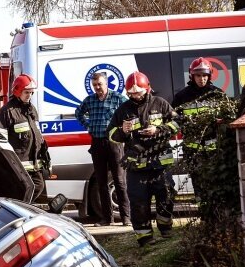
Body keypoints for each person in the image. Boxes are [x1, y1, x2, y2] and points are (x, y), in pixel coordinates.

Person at [108, 72, 179, 247]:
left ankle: (165, 228)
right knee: (139, 202)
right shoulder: (123, 110)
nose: (134, 96)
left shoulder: (160, 104)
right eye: (131, 93)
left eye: (138, 92)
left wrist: (158, 130)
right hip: (137, 167)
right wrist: (122, 130)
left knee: (166, 195)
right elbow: (111, 136)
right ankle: (145, 238)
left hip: (160, 163)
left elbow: (177, 124)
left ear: (147, 89)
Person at [75, 72, 130, 226]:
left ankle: (126, 217)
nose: (97, 87)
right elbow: (78, 113)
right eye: (95, 85)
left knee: (119, 181)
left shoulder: (118, 98)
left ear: (106, 83)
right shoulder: (90, 100)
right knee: (101, 182)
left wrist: (123, 129)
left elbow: (130, 113)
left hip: (115, 144)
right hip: (97, 144)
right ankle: (107, 219)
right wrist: (88, 125)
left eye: (99, 84)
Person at [171, 57, 225, 200]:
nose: (202, 79)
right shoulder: (182, 96)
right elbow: (173, 119)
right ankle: (204, 215)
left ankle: (217, 214)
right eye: (198, 75)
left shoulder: (218, 94)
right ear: (191, 75)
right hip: (192, 149)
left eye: (205, 75)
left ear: (210, 75)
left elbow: (228, 118)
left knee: (216, 182)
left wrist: (221, 121)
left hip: (214, 148)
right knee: (199, 183)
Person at [0, 74, 50, 203]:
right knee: (23, 190)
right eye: (26, 92)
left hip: (34, 163)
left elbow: (37, 134)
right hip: (18, 164)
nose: (29, 95)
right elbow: (0, 141)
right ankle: (17, 211)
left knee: (38, 185)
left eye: (31, 92)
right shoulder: (7, 112)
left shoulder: (31, 109)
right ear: (17, 91)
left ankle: (21, 208)